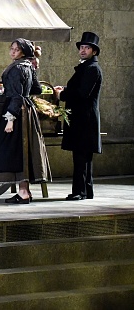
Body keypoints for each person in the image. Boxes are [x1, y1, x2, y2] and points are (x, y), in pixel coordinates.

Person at [0, 38, 51, 203]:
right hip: (26, 109)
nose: (13, 52)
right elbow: (36, 88)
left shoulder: (17, 68)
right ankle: (25, 191)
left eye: (17, 49)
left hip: (17, 111)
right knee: (23, 150)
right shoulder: (28, 66)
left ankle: (23, 192)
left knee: (18, 151)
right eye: (12, 48)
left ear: (23, 51)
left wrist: (10, 119)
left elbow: (17, 96)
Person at [54, 32, 102, 201]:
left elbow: (82, 94)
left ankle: (79, 192)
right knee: (83, 157)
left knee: (81, 157)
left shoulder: (92, 69)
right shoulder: (87, 67)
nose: (83, 50)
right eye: (81, 47)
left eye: (87, 48)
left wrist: (62, 96)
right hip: (83, 119)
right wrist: (66, 89)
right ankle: (86, 191)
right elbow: (79, 89)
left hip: (84, 120)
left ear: (94, 51)